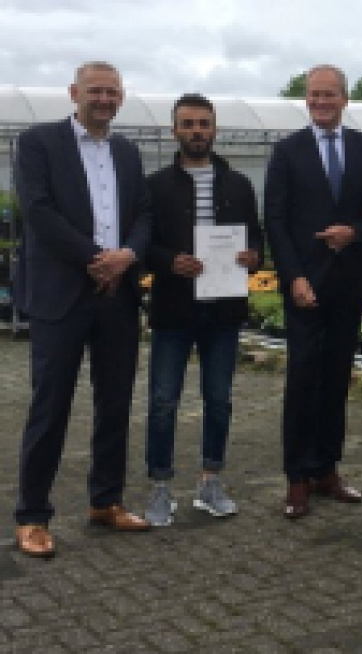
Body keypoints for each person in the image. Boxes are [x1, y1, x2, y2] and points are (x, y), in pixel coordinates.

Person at [12, 61, 154, 557]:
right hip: (62, 296)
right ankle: (31, 515)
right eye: (95, 90)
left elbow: (143, 214)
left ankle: (105, 501)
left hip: (117, 299)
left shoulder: (128, 152)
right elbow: (39, 212)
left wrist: (128, 255)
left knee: (115, 406)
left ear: (121, 97)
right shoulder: (38, 143)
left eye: (112, 92)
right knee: (50, 408)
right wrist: (97, 259)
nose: (104, 99)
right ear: (74, 93)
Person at [264, 65, 362, 519]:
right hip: (304, 283)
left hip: (349, 281)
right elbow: (274, 220)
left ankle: (326, 469)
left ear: (345, 98)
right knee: (302, 380)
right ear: (306, 99)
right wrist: (293, 277)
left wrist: (355, 232)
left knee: (337, 379)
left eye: (329, 94)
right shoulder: (287, 151)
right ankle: (296, 476)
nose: (321, 101)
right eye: (314, 94)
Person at [141, 93, 265, 526]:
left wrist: (254, 257)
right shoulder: (155, 185)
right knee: (162, 401)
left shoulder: (239, 184)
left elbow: (256, 240)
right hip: (174, 308)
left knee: (219, 399)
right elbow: (142, 243)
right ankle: (159, 487)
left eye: (204, 124)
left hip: (224, 310)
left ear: (215, 130)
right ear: (175, 130)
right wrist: (167, 261)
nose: (197, 131)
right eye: (188, 124)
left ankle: (210, 480)